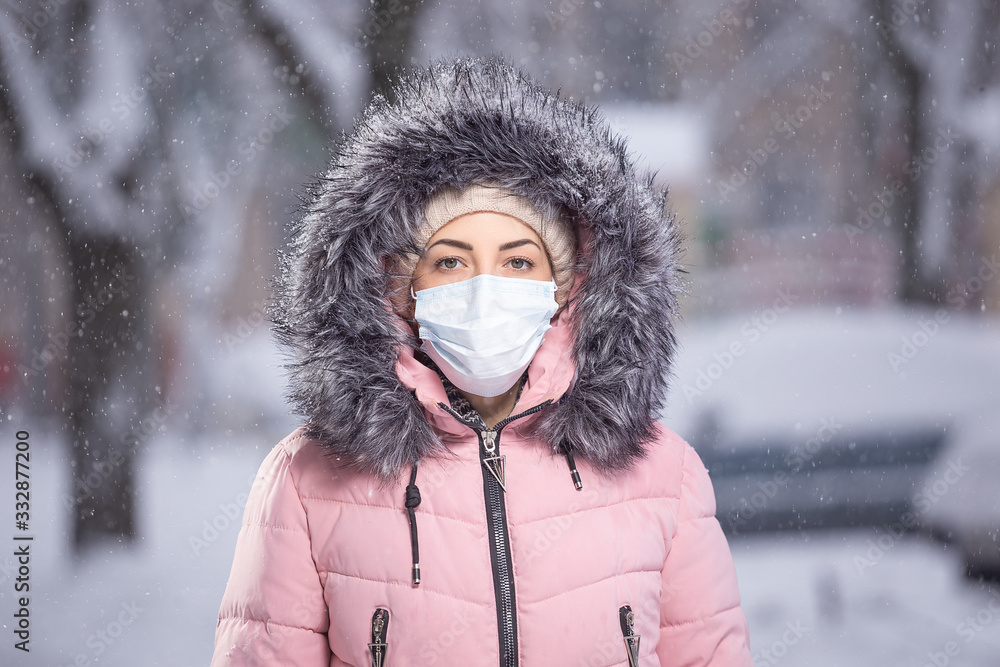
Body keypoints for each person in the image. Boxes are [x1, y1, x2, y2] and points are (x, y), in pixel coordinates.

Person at [212, 57, 753, 666]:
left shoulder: (664, 477)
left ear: (569, 289)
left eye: (520, 261)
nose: (484, 288)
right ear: (399, 290)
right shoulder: (306, 483)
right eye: (450, 261)